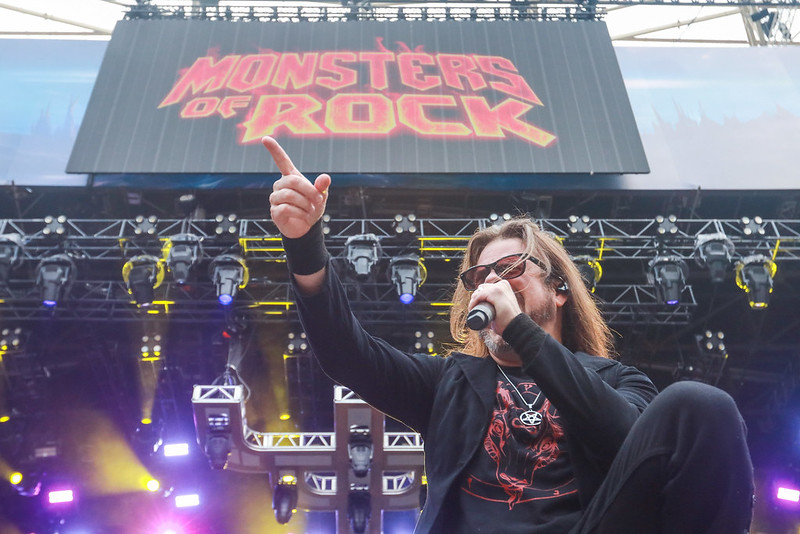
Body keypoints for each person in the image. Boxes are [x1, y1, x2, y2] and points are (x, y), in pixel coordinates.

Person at [263, 135, 754, 533]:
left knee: (700, 405)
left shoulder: (617, 380)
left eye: (511, 268)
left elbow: (626, 442)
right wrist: (305, 245)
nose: (492, 283)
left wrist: (520, 328)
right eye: (480, 277)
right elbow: (346, 354)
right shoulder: (450, 383)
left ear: (559, 291)